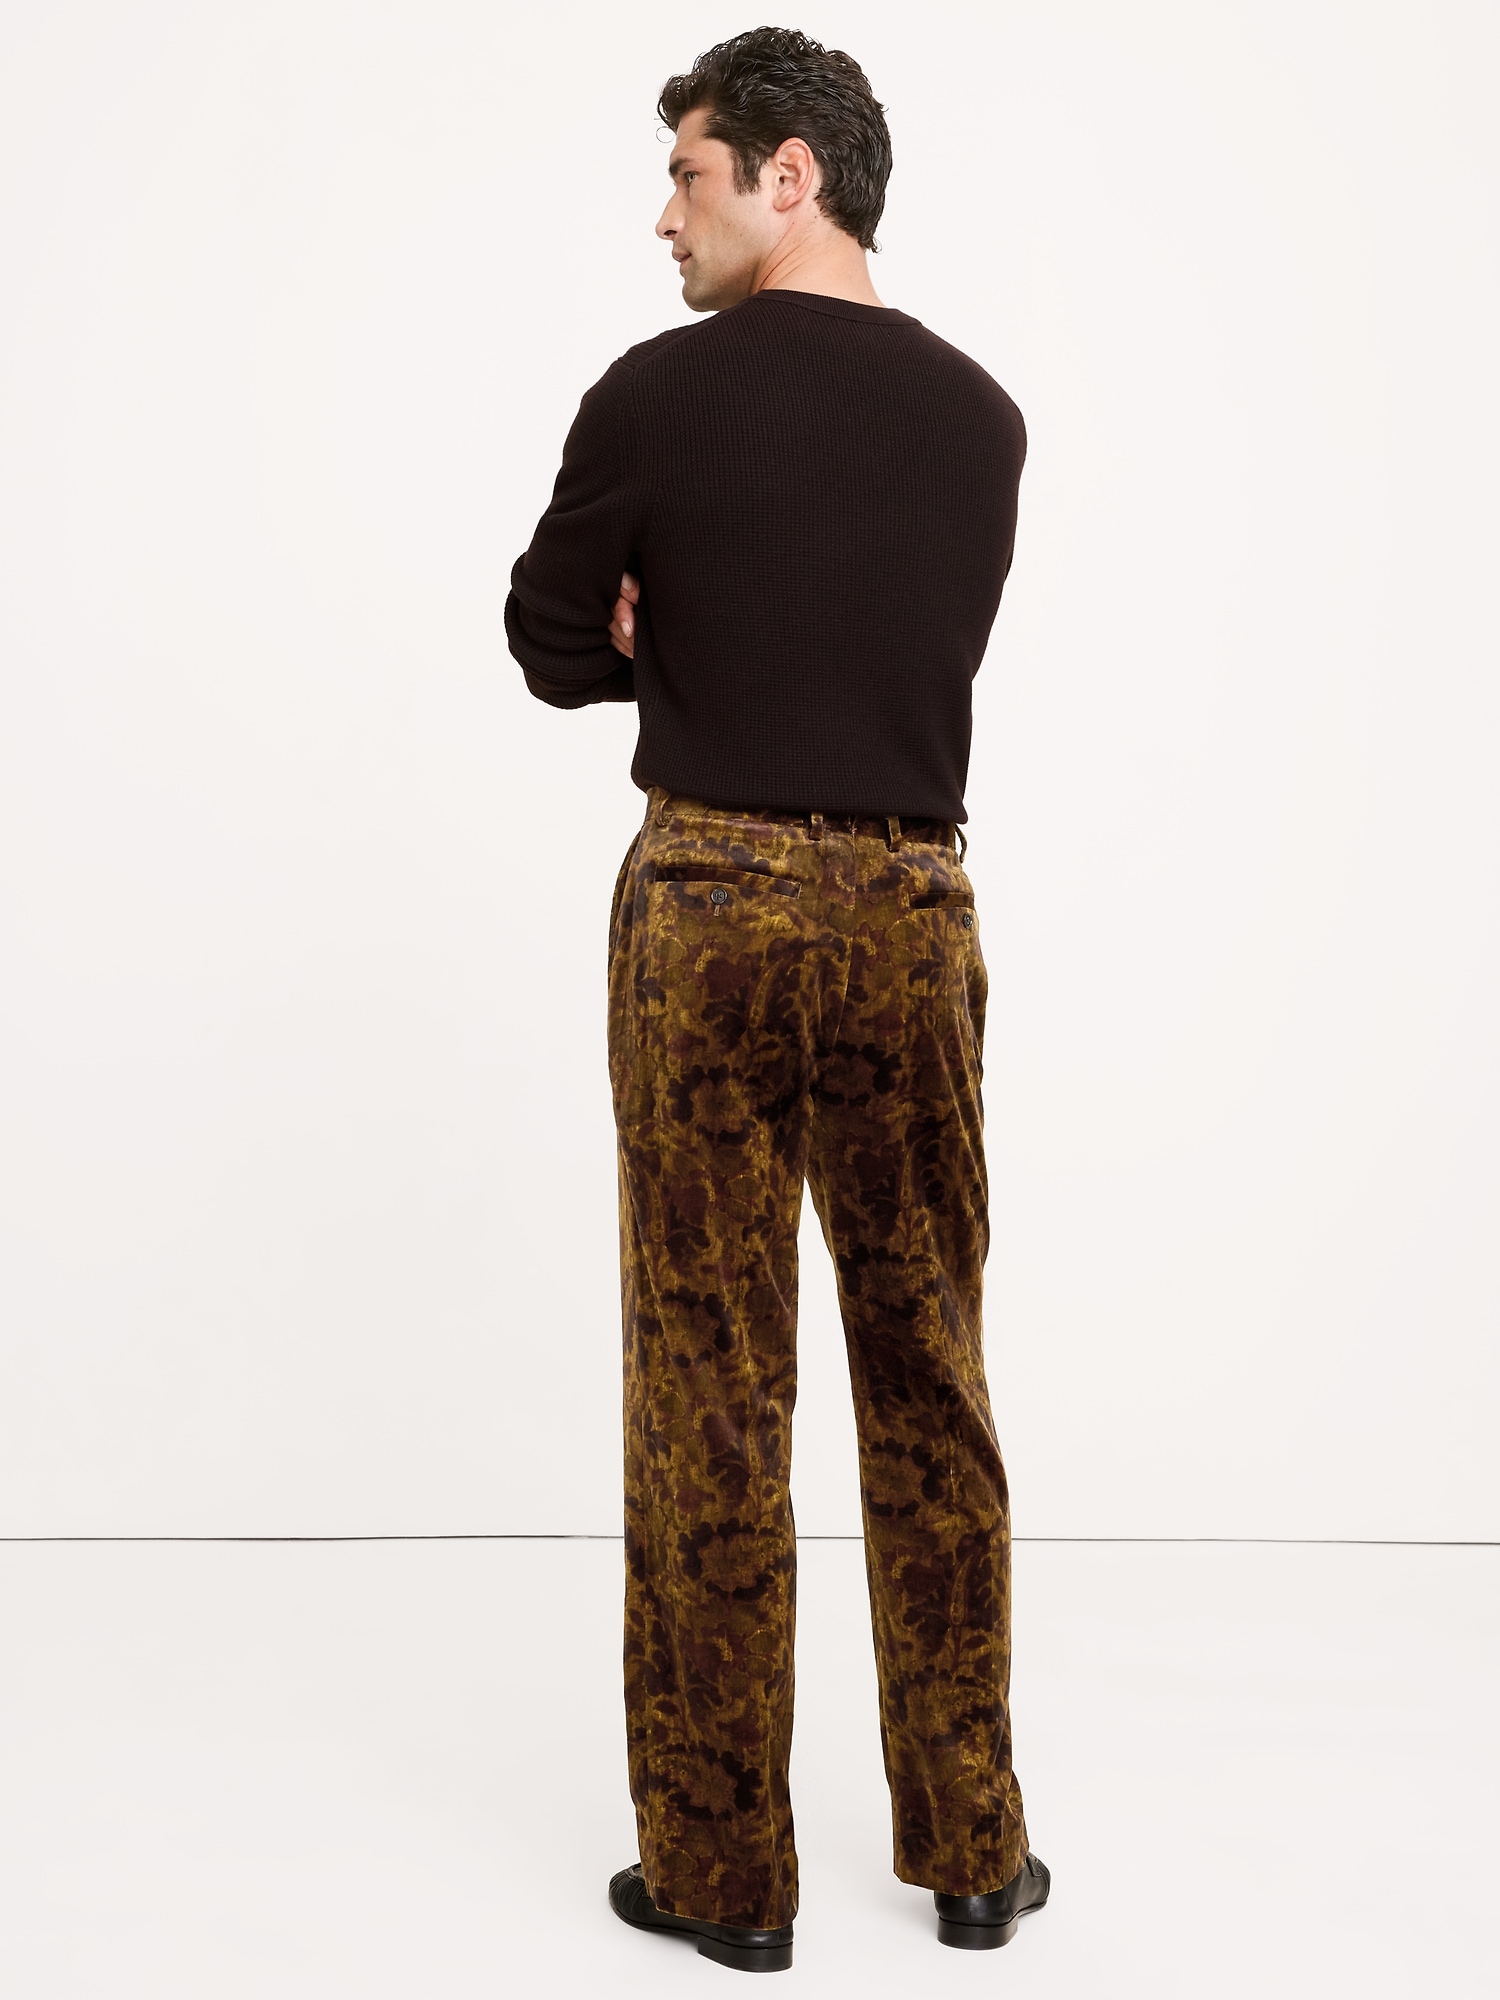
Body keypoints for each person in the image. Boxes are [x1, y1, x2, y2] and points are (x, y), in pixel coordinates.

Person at [506, 26, 1048, 1974]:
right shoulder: (984, 419)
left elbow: (547, 636)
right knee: (929, 1368)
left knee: (710, 1382)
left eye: (690, 173)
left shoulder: (656, 394)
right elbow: (886, 640)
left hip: (716, 897)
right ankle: (973, 1848)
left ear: (790, 173)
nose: (664, 216)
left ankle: (723, 1875)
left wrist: (654, 633)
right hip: (913, 901)